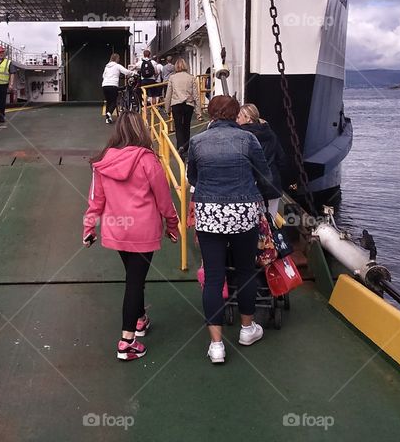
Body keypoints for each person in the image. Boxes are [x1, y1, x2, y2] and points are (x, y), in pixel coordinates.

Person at [83, 112, 180, 361]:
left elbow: (96, 199)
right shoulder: (148, 160)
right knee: (135, 281)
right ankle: (127, 342)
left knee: (134, 275)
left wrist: (89, 228)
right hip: (142, 229)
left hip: (117, 228)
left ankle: (140, 320)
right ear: (142, 131)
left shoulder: (103, 161)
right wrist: (172, 224)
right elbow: (163, 197)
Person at [187, 95, 274, 364]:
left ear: (211, 114)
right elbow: (265, 176)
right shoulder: (248, 140)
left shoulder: (197, 141)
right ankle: (247, 330)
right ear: (236, 115)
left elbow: (193, 177)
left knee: (214, 277)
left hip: (209, 213)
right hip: (243, 212)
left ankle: (216, 347)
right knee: (246, 271)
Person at [237, 103, 290, 217]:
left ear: (248, 118)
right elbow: (281, 160)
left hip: (250, 188)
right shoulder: (270, 133)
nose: (236, 120)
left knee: (252, 225)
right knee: (270, 222)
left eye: (238, 117)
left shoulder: (241, 136)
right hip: (272, 186)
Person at [163, 58, 201, 155]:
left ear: (176, 66)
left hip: (176, 104)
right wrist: (198, 112)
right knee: (186, 126)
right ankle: (186, 147)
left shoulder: (172, 78)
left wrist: (167, 108)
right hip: (188, 104)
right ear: (185, 66)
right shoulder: (191, 78)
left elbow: (168, 94)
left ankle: (180, 146)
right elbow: (196, 95)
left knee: (178, 126)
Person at [101, 53, 132, 124]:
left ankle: (108, 118)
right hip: (113, 85)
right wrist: (133, 73)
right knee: (114, 102)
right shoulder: (117, 66)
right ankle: (109, 114)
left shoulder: (107, 67)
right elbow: (126, 72)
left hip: (104, 85)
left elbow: (103, 76)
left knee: (108, 102)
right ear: (117, 59)